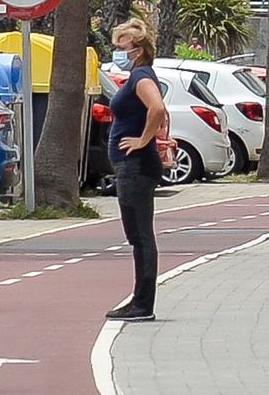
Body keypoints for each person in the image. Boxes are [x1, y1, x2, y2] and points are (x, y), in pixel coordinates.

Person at [105, 18, 168, 323]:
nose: (117, 50)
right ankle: (139, 299)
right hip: (129, 165)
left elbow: (157, 108)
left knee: (140, 234)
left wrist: (143, 139)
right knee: (137, 233)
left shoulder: (141, 76)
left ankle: (143, 303)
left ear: (137, 49)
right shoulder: (136, 76)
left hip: (136, 166)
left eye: (121, 46)